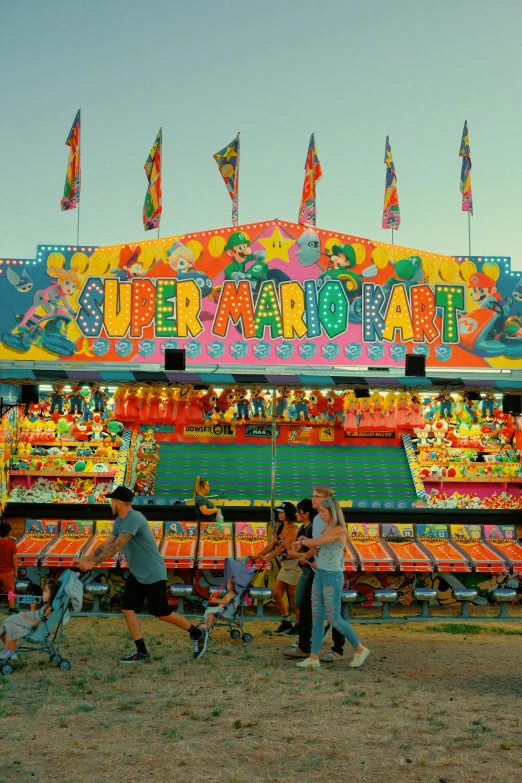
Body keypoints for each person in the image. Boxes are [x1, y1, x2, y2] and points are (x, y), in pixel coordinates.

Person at [72, 486, 208, 663]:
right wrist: (84, 559)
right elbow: (105, 545)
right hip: (138, 573)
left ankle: (198, 634)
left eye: (112, 501)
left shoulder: (134, 518)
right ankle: (142, 652)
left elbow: (117, 547)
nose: (110, 504)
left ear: (119, 502)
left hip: (152, 573)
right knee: (127, 608)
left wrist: (92, 563)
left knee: (162, 613)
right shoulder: (120, 521)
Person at [296, 497, 370, 670]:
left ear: (332, 512)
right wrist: (302, 544)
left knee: (333, 617)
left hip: (332, 576)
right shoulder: (327, 528)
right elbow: (317, 549)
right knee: (318, 617)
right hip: (320, 574)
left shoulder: (338, 529)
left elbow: (315, 543)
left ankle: (360, 649)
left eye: (323, 511)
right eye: (319, 510)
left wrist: (303, 542)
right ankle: (314, 658)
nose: (319, 513)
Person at [283, 485, 347, 662]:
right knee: (306, 604)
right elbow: (317, 545)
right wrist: (306, 550)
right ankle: (307, 645)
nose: (313, 499)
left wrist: (307, 549)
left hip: (331, 570)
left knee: (334, 610)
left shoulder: (332, 520)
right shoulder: (318, 518)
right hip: (318, 568)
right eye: (313, 496)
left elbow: (331, 545)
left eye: (317, 496)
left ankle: (338, 648)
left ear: (327, 498)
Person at [257, 501, 301, 635]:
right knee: (276, 594)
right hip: (285, 565)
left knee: (294, 598)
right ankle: (286, 621)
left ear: (287, 513)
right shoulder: (280, 527)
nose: (279, 514)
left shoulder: (295, 529)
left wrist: (267, 558)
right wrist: (258, 555)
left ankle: (299, 625)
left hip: (295, 564)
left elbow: (281, 548)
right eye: (278, 512)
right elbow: (272, 545)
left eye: (281, 512)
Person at [0, 580, 60, 660]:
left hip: (35, 631)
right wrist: (33, 608)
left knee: (12, 626)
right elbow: (36, 617)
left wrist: (25, 617)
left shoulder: (50, 609)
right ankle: (7, 649)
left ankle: (12, 652)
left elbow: (39, 624)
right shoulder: (46, 606)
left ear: (52, 595)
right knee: (8, 625)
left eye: (46, 591)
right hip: (32, 627)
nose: (43, 593)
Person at [0, 521, 17, 615]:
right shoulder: (11, 544)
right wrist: (16, 570)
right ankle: (11, 609)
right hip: (8, 571)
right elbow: (14, 559)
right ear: (9, 533)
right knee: (11, 590)